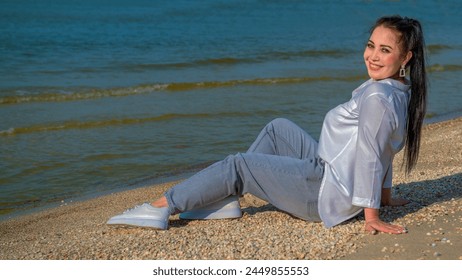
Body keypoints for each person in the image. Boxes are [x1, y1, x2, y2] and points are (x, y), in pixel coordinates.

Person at [107, 15, 427, 235]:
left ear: (405, 58)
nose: (372, 55)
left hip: (324, 193)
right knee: (278, 128)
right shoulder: (398, 91)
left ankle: (161, 207)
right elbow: (386, 146)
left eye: (385, 50)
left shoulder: (376, 97)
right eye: (371, 45)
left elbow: (372, 153)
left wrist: (372, 216)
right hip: (332, 174)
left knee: (239, 165)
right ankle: (226, 200)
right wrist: (384, 197)